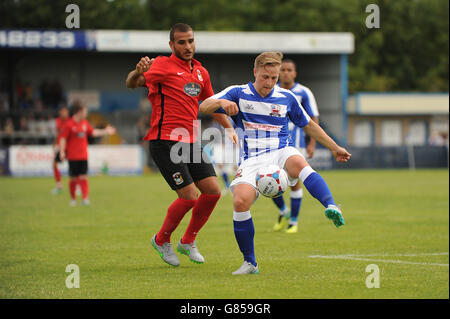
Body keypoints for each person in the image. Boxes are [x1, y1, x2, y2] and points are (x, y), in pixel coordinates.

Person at [199, 51, 351, 275]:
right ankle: (250, 263)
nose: (269, 83)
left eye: (274, 77)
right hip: (251, 159)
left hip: (280, 150)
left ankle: (330, 205)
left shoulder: (286, 97)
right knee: (240, 203)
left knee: (299, 163)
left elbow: (309, 125)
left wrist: (335, 147)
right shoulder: (238, 92)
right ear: (255, 72)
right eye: (265, 77)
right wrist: (221, 102)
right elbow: (203, 106)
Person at [125, 23, 238, 267]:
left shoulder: (201, 72)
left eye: (190, 41)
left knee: (212, 191)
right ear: (171, 45)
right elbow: (131, 83)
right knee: (189, 197)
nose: (187, 46)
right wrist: (136, 72)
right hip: (165, 141)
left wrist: (229, 127)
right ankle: (161, 239)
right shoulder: (161, 66)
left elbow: (211, 103)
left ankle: (187, 241)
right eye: (181, 42)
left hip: (191, 140)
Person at [272, 58, 320, 234]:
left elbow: (312, 118)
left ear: (295, 73)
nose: (285, 73)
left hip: (297, 146)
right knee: (270, 181)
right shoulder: (272, 90)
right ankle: (284, 211)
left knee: (294, 183)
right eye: (283, 70)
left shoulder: (303, 92)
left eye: (289, 70)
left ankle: (293, 221)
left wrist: (312, 143)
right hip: (274, 145)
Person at [59, 103, 116, 206]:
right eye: (85, 111)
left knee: (83, 177)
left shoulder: (85, 123)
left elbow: (93, 132)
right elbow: (63, 138)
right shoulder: (69, 124)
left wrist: (106, 131)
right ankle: (73, 199)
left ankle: (85, 199)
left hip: (83, 156)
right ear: (79, 112)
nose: (86, 113)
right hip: (72, 156)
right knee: (73, 179)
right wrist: (62, 151)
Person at [51, 106, 70, 194]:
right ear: (60, 113)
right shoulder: (57, 121)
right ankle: (59, 185)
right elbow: (58, 134)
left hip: (69, 147)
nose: (64, 113)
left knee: (74, 166)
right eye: (62, 111)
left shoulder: (70, 122)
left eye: (65, 111)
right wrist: (55, 143)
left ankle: (77, 186)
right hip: (60, 147)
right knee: (54, 164)